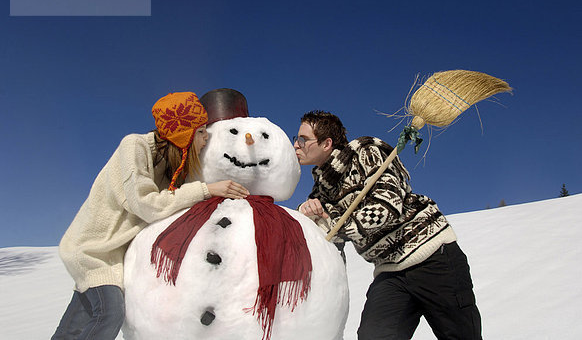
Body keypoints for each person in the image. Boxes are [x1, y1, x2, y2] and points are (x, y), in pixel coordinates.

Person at [51, 92, 249, 340]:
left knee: (72, 329)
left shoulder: (171, 170)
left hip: (116, 258)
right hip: (92, 251)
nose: (206, 137)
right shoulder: (135, 147)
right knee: (110, 314)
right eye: (200, 131)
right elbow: (145, 205)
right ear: (182, 135)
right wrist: (206, 189)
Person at [295, 110, 482, 340]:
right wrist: (310, 217)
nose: (296, 145)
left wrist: (336, 226)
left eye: (302, 139)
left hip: (434, 257)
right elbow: (329, 240)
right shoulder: (320, 192)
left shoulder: (366, 153)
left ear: (326, 143)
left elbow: (387, 207)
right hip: (390, 272)